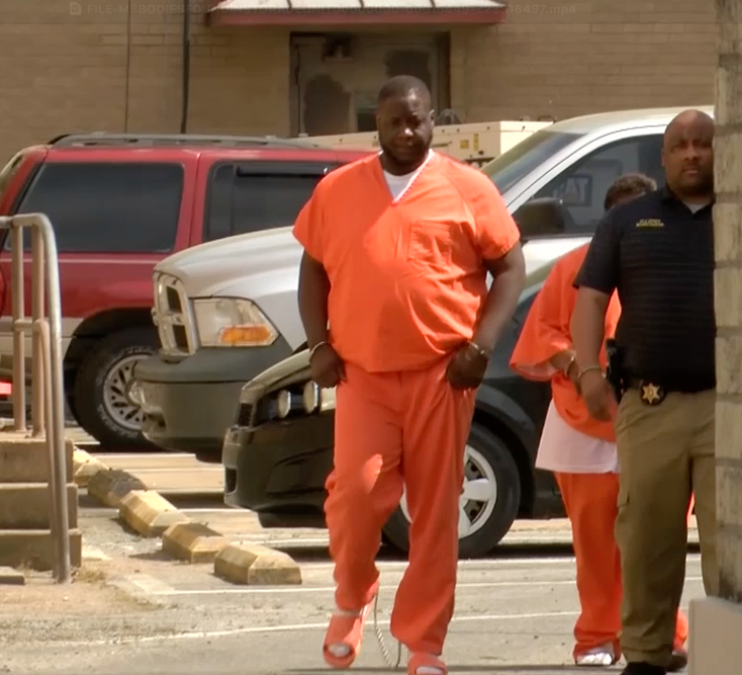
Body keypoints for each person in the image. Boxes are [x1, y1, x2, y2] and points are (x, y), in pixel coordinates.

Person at [293, 74, 527, 675]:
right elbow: (313, 269)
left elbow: (510, 267)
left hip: (442, 374)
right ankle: (352, 594)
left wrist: (482, 345)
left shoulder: (468, 188)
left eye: (418, 119)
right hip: (362, 374)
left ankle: (423, 644)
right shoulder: (339, 189)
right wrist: (317, 342)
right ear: (377, 121)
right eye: (395, 119)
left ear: (433, 122)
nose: (406, 130)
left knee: (435, 513)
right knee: (356, 493)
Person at [509, 173, 694, 670]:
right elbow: (541, 332)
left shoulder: (679, 262)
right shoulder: (573, 267)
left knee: (658, 535)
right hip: (582, 423)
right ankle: (596, 634)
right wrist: (575, 362)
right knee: (595, 542)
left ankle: (666, 634)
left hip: (660, 416)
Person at [569, 110, 719, 675]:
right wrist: (587, 373)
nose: (692, 154)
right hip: (649, 405)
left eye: (702, 144)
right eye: (680, 145)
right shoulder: (628, 222)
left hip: (730, 407)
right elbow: (589, 298)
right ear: (663, 156)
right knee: (649, 540)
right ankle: (649, 655)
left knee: (732, 544)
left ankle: (734, 650)